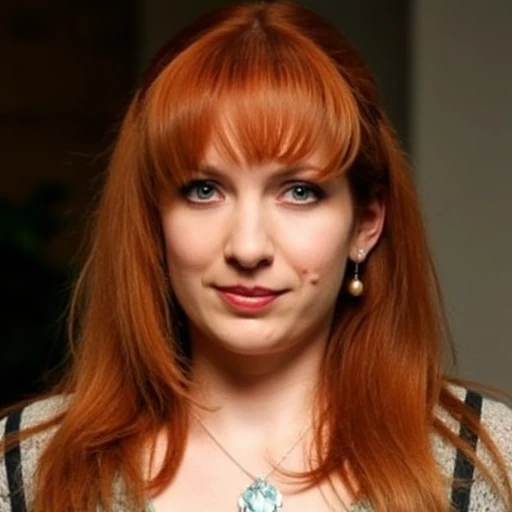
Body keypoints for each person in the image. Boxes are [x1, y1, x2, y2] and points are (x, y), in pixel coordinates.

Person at [1, 2, 511, 511]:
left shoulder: (488, 462)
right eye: (204, 190)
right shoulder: (26, 469)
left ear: (366, 222)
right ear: (152, 219)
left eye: (298, 192)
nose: (248, 247)